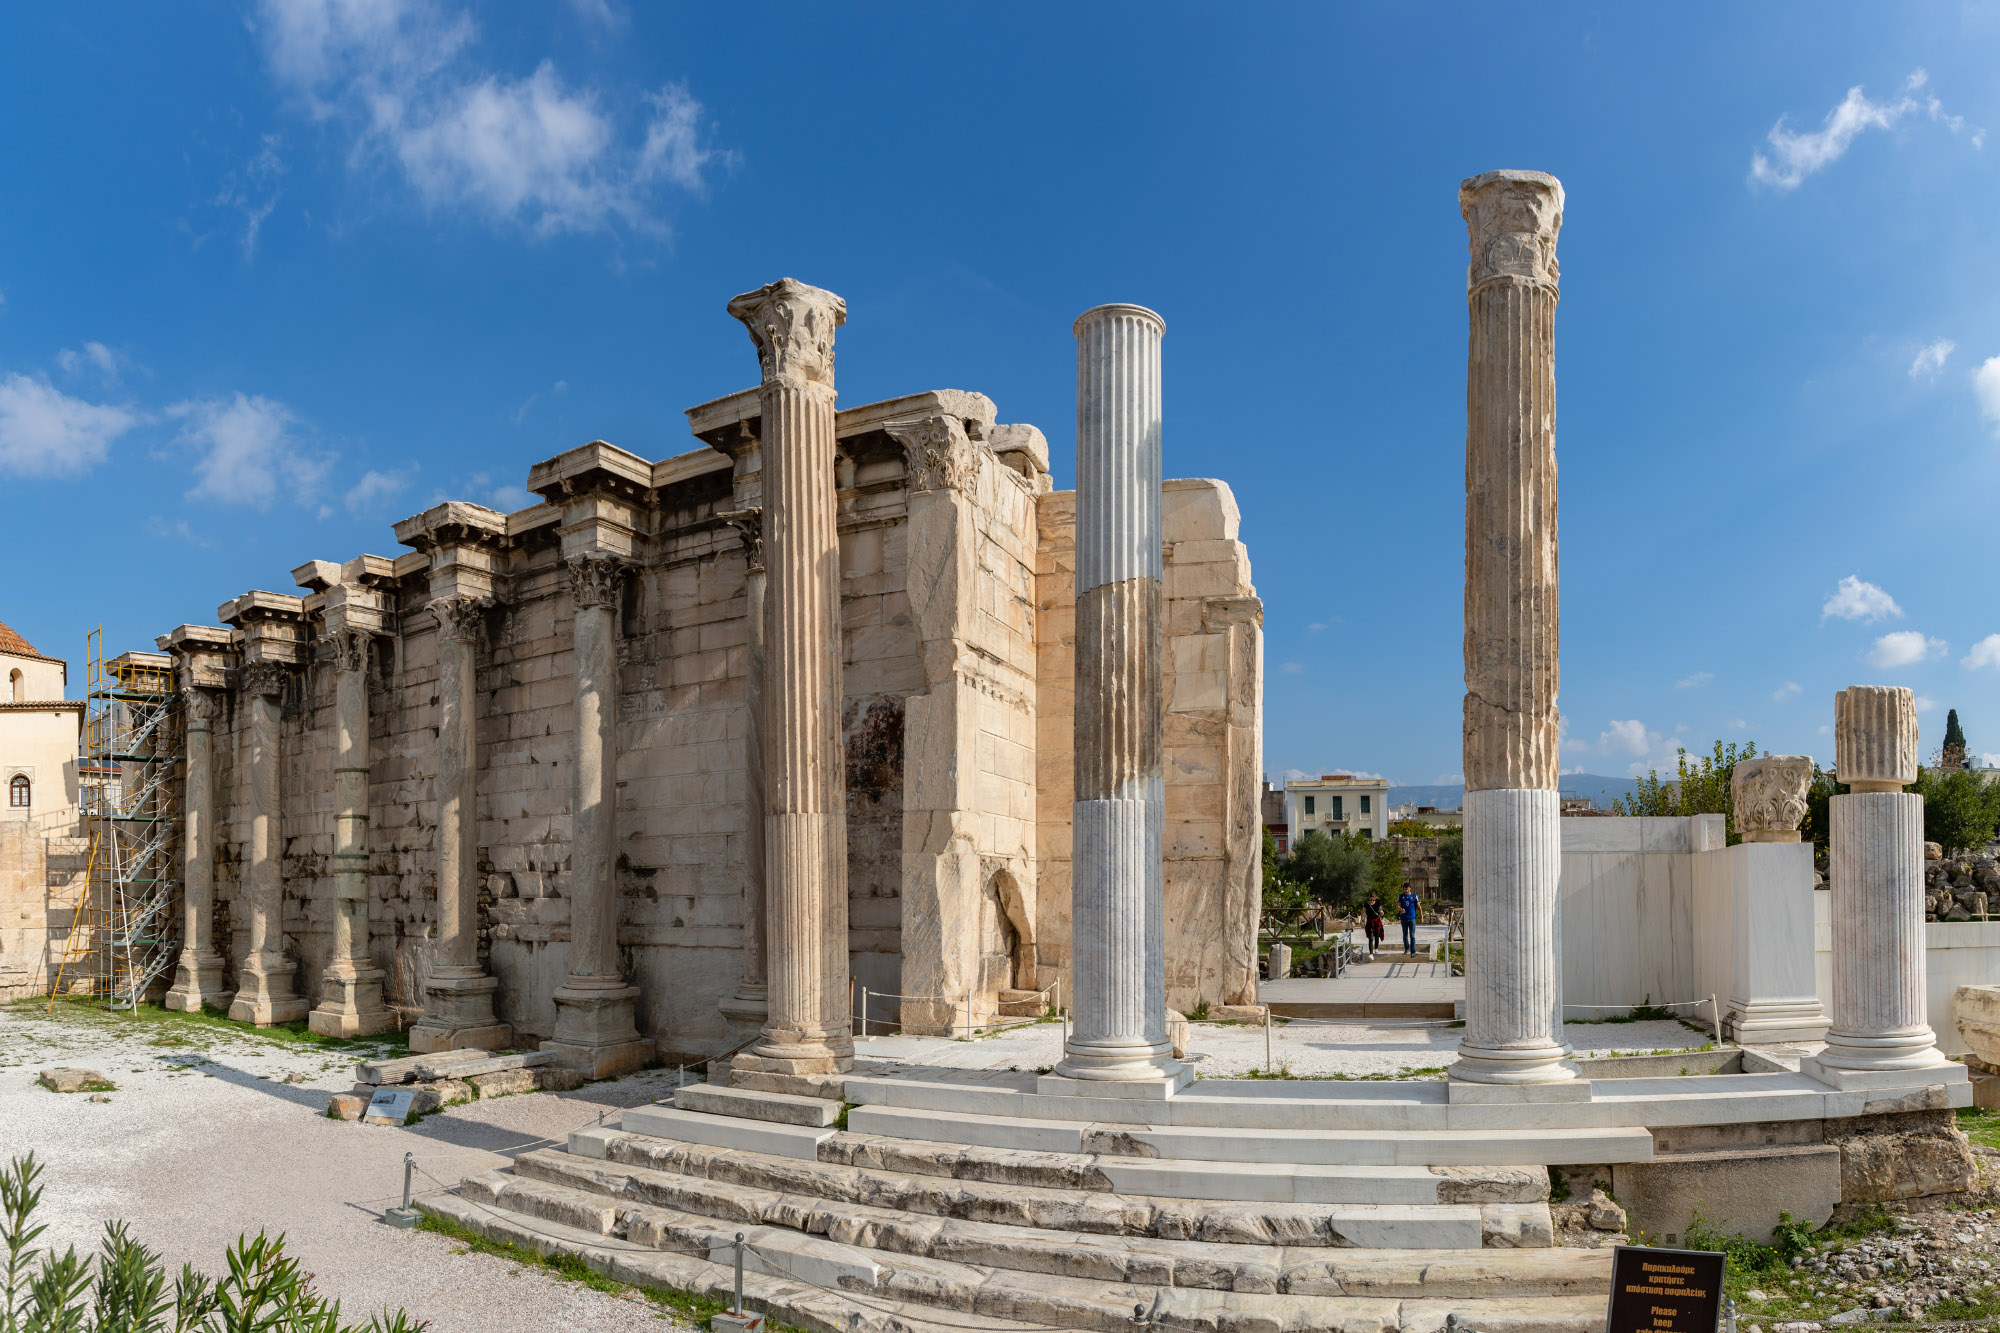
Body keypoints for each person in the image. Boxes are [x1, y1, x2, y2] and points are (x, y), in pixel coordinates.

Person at [1397, 886, 1419, 956]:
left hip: (1412, 918)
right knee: (1405, 935)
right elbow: (1397, 906)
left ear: (1410, 888)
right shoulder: (1400, 896)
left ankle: (1413, 952)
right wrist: (1401, 909)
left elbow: (1419, 906)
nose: (1406, 890)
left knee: (1412, 935)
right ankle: (1406, 949)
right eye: (1405, 889)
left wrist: (1421, 916)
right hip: (1404, 918)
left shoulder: (1414, 896)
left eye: (1407, 889)